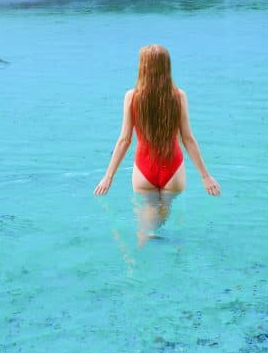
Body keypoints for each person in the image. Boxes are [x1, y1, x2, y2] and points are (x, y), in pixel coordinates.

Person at [94, 45, 220, 241]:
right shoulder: (179, 97)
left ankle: (140, 248)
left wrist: (108, 176)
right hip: (173, 169)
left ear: (143, 67)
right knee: (162, 211)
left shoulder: (132, 97)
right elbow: (188, 138)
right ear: (167, 67)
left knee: (148, 214)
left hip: (144, 170)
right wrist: (205, 176)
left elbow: (124, 140)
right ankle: (149, 238)